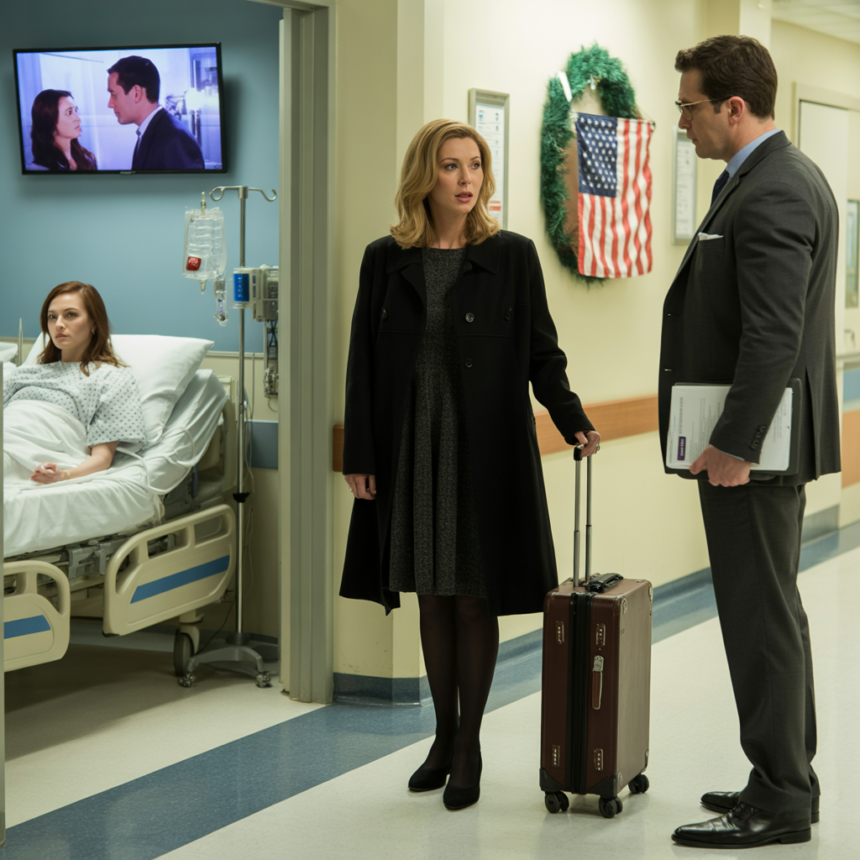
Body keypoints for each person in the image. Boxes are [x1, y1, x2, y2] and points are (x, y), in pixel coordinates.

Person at [340, 119, 600, 811]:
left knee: (472, 595)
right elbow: (362, 360)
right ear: (424, 176)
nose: (466, 179)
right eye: (451, 166)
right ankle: (442, 734)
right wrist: (359, 453)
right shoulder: (384, 258)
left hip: (483, 446)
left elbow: (541, 350)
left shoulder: (510, 255)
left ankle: (469, 747)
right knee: (431, 593)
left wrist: (571, 415)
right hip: (410, 445)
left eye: (475, 165)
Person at [660, 36, 840, 849]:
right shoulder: (766, 179)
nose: (683, 122)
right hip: (761, 450)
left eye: (690, 107)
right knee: (772, 615)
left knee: (761, 620)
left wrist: (734, 444)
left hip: (754, 458)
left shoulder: (773, 189)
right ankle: (786, 777)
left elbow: (773, 335)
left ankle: (779, 801)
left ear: (734, 108)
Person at [2, 282, 147, 484]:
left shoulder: (109, 378)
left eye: (70, 315)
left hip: (32, 451)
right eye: (52, 317)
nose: (59, 324)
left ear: (94, 322)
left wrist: (64, 475)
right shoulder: (24, 374)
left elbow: (103, 458)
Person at [107, 56, 205, 171]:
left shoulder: (175, 140)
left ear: (136, 94)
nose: (110, 104)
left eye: (114, 95)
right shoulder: (151, 133)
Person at [29, 89, 97, 172]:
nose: (78, 118)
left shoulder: (87, 158)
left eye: (76, 110)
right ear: (50, 121)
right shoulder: (39, 169)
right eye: (69, 112)